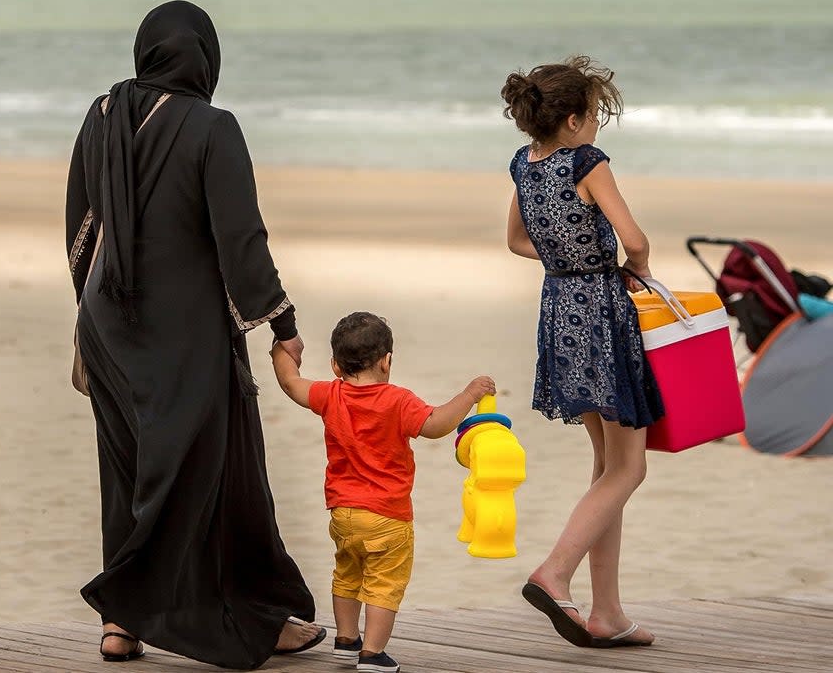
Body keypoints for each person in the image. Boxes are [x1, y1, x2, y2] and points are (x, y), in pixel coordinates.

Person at [66, 0, 324, 668]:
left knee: (127, 471)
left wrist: (85, 322)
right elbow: (240, 237)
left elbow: (81, 231)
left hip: (106, 324)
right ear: (206, 59)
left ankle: (120, 624)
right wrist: (283, 323)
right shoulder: (214, 126)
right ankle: (257, 621)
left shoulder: (99, 117)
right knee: (217, 471)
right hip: (183, 330)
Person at [501, 56, 664, 650]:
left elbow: (518, 240)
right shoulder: (588, 162)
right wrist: (634, 269)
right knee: (629, 467)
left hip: (559, 313)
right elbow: (636, 238)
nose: (597, 125)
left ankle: (608, 613)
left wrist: (563, 261)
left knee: (606, 466)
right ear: (572, 120)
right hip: (601, 310)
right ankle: (555, 573)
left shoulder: (523, 163)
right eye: (593, 115)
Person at [271, 311, 496, 673]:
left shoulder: (330, 395)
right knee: (383, 584)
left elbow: (290, 382)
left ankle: (346, 639)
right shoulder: (398, 401)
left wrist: (280, 347)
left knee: (346, 573)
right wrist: (469, 394)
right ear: (387, 361)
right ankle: (373, 653)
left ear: (334, 364)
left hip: (343, 514)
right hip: (388, 516)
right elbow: (436, 425)